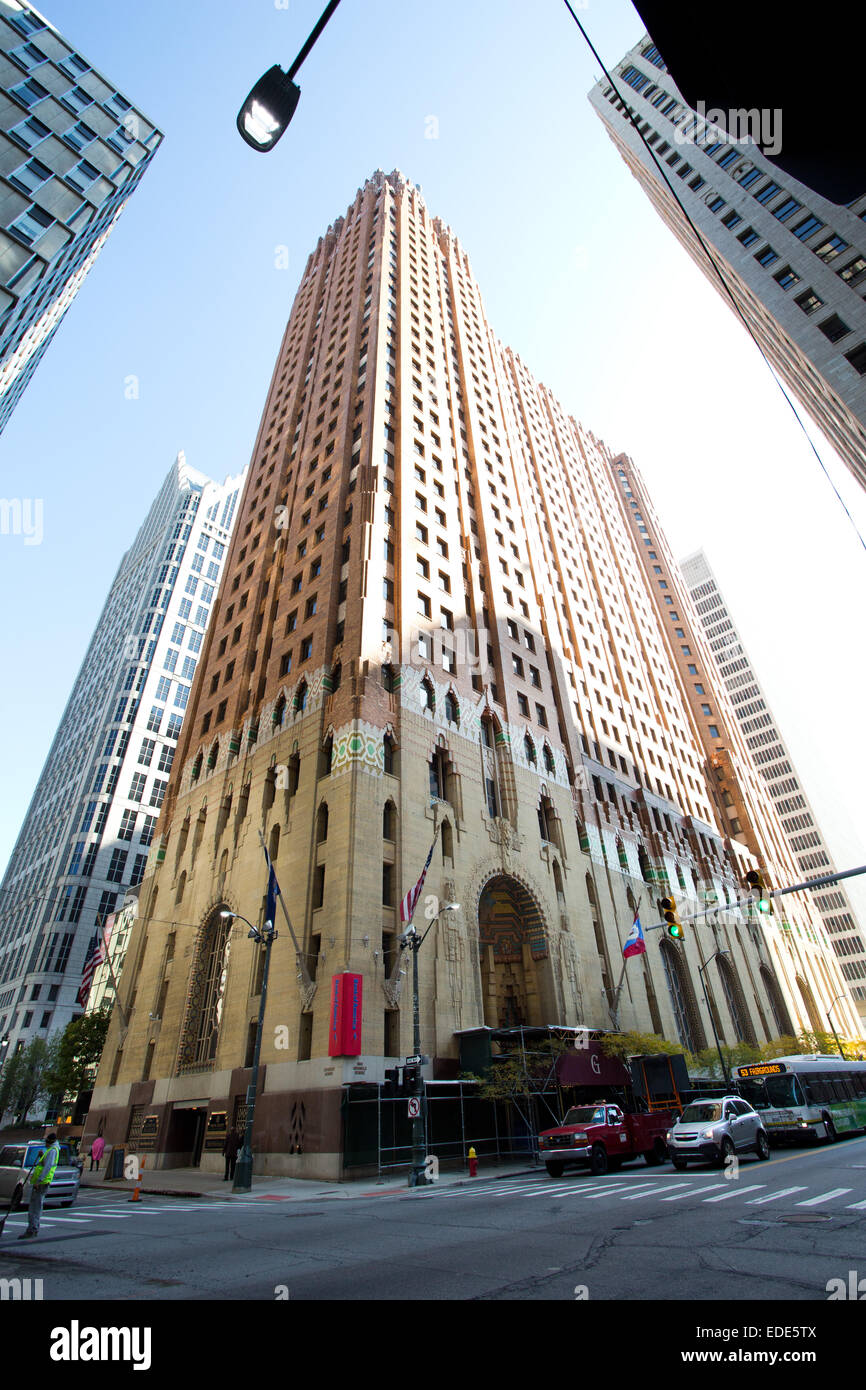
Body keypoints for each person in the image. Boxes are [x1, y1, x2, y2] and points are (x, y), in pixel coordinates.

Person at [19, 1132, 61, 1240]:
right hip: (42, 1182)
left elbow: (47, 1167)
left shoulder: (52, 1151)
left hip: (42, 1183)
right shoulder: (51, 1150)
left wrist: (39, 1180)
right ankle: (33, 1228)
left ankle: (32, 1229)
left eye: (46, 1142)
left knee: (35, 1206)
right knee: (36, 1205)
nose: (45, 1144)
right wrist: (42, 1156)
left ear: (50, 1142)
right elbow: (46, 1164)